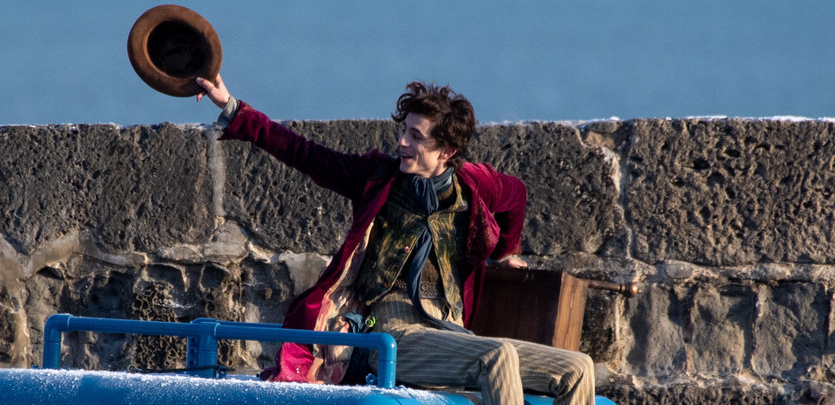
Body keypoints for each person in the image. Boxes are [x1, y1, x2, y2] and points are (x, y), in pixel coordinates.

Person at [195, 75, 595, 405]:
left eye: (417, 137)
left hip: (452, 334)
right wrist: (230, 106)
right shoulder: (377, 178)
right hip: (390, 336)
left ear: (447, 152)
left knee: (578, 369)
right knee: (496, 357)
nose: (403, 142)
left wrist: (508, 253)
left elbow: (517, 195)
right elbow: (304, 153)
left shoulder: (474, 187)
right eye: (404, 131)